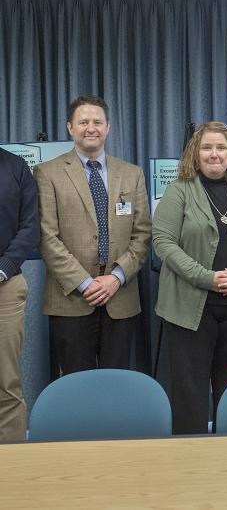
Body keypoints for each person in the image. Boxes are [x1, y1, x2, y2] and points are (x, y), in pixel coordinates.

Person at [153, 121, 227, 434]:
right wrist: (206, 278)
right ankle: (192, 465)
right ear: (196, 153)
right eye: (207, 147)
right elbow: (163, 242)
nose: (214, 154)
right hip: (188, 310)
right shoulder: (178, 190)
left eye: (221, 147)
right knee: (190, 397)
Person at [35, 95, 151, 376]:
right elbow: (46, 237)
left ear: (108, 127)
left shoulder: (132, 174)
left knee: (116, 381)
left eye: (97, 121)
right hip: (71, 299)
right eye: (83, 121)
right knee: (77, 384)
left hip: (119, 297)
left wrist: (116, 277)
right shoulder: (46, 173)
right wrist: (85, 283)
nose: (91, 127)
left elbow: (143, 233)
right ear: (70, 128)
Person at [0, 148, 39, 442]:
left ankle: (11, 462)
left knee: (6, 382)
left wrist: (3, 268)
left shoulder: (15, 167)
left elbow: (30, 227)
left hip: (5, 286)